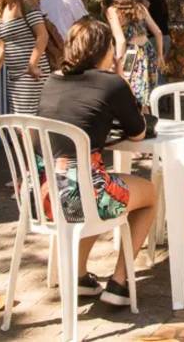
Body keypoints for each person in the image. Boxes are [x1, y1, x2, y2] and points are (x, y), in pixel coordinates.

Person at [37, 17, 156, 306]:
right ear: (102, 50)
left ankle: (79, 277)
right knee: (149, 195)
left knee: (95, 193)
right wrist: (121, 84)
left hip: (43, 194)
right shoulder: (111, 83)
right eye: (111, 48)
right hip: (80, 195)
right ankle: (119, 283)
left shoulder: (52, 80)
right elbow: (138, 132)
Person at [0, 0, 50, 114]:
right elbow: (1, 46)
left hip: (32, 76)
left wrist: (32, 64)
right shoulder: (4, 8)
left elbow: (42, 35)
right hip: (15, 79)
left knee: (30, 122)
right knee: (20, 122)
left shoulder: (26, 2)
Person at [104, 0, 164, 111]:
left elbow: (121, 40)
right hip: (148, 51)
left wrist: (118, 63)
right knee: (144, 100)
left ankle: (138, 123)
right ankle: (146, 121)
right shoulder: (140, 7)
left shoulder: (112, 10)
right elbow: (158, 32)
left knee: (129, 97)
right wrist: (160, 55)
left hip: (131, 55)